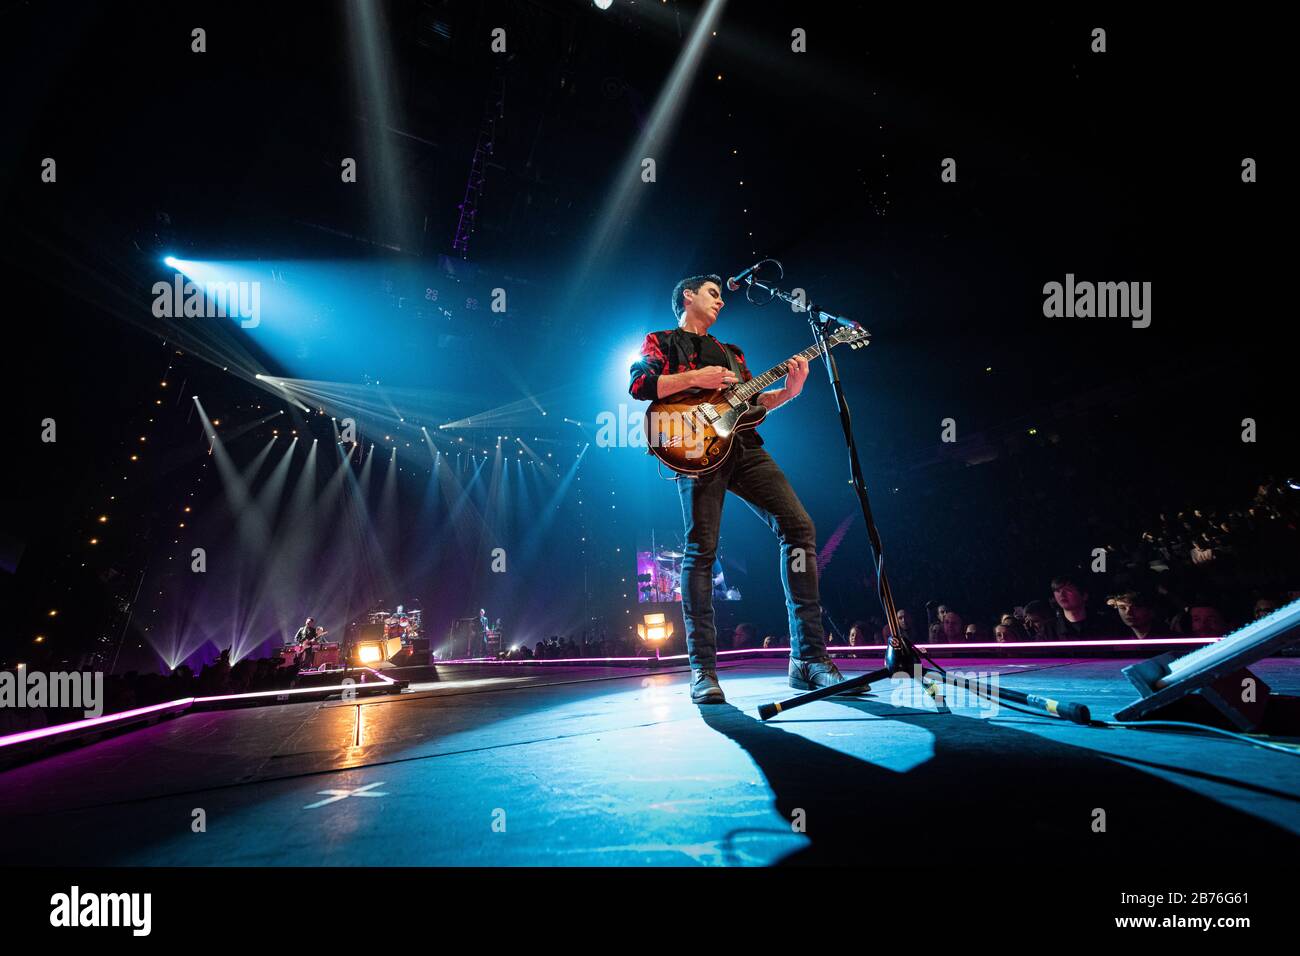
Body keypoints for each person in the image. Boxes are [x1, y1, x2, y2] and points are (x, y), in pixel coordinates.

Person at [629, 273, 861, 704]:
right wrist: (695, 377)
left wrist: (789, 392)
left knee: (799, 527)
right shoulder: (660, 340)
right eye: (712, 294)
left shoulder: (732, 353)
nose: (720, 301)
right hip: (693, 447)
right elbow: (641, 385)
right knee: (702, 549)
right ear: (688, 296)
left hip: (745, 448)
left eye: (721, 296)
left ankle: (807, 659)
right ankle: (703, 670)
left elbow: (750, 406)